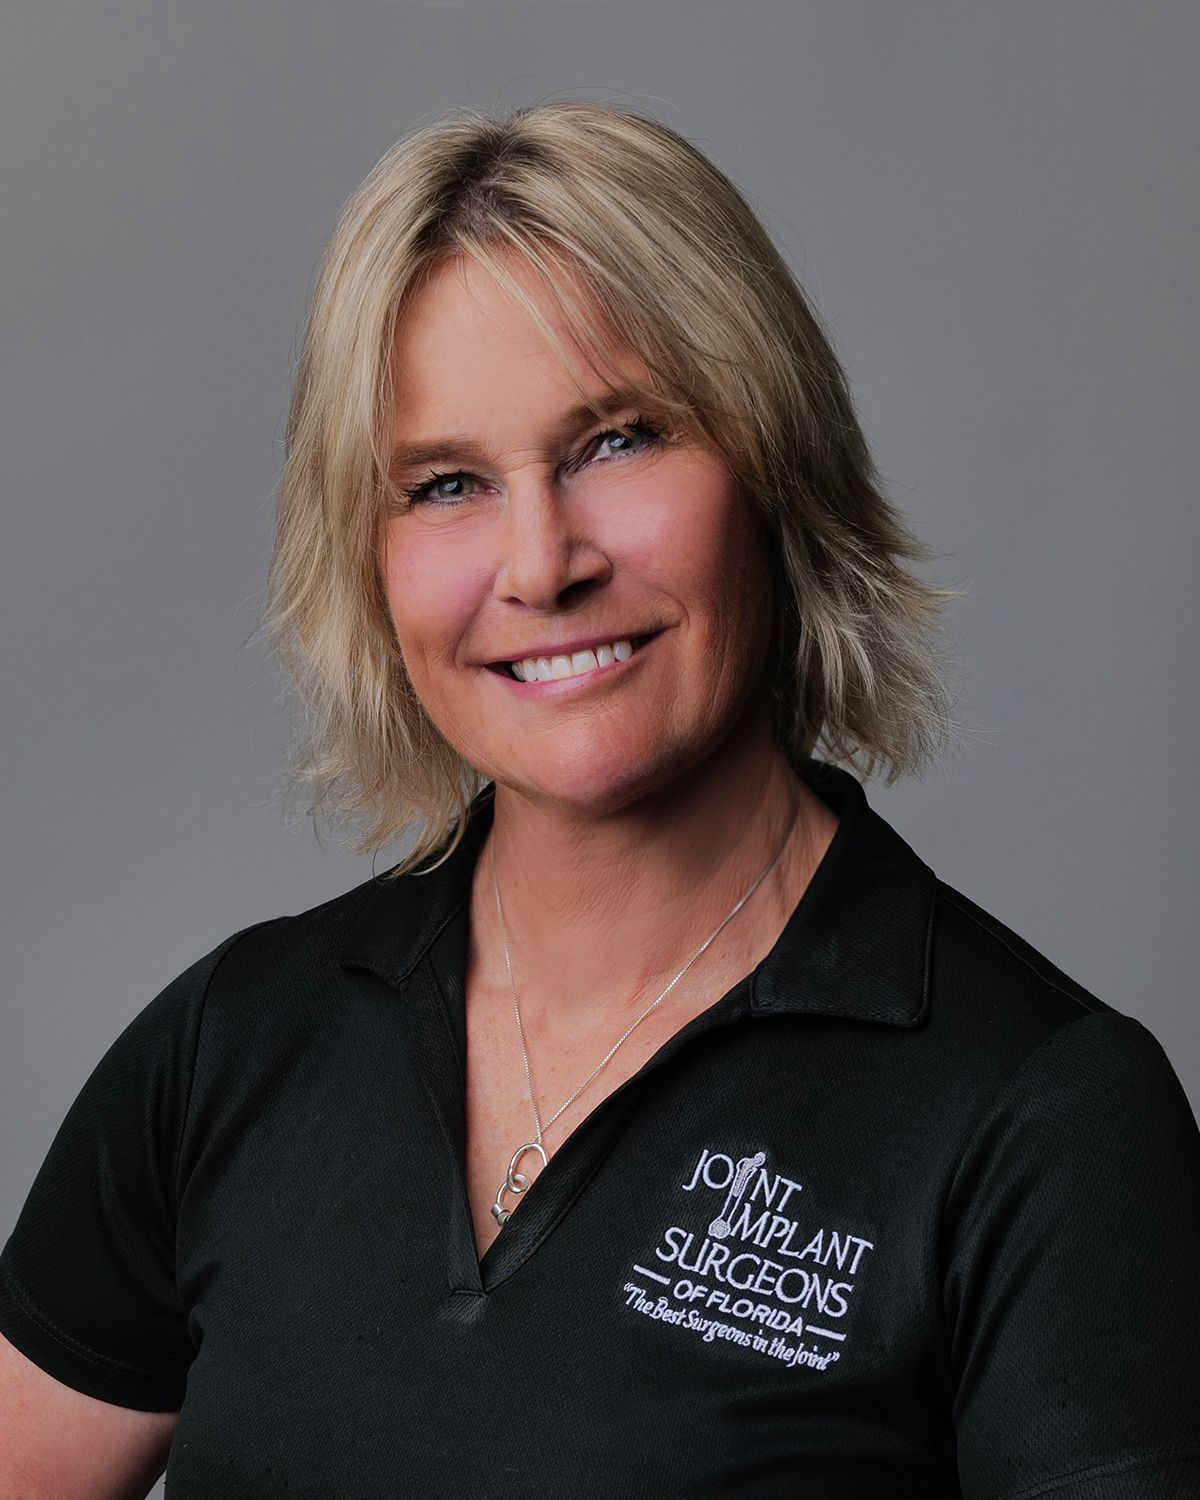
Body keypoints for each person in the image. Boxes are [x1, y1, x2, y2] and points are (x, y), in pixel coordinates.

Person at [2, 99, 1198, 1500]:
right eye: (445, 484)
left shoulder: (1044, 1118)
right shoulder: (228, 1050)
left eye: (619, 441)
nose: (539, 561)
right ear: (369, 562)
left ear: (773, 463)